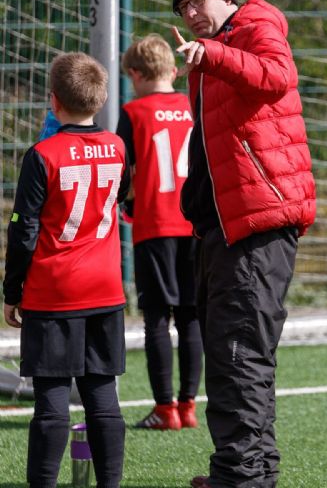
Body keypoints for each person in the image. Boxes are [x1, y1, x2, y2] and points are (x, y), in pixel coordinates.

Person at [170, 0, 316, 488]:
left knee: (239, 356)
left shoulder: (255, 26)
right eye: (183, 8)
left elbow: (278, 77)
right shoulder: (211, 54)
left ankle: (241, 477)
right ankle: (251, 471)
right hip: (226, 226)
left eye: (198, 0)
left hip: (257, 224)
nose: (191, 13)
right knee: (235, 355)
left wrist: (213, 55)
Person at [3, 51, 130, 488]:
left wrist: (12, 291)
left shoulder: (43, 154)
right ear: (102, 98)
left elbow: (23, 230)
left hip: (55, 292)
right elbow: (118, 199)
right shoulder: (118, 147)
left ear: (53, 100)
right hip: (106, 290)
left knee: (52, 402)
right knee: (102, 396)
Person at [116, 34, 203, 430]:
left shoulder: (133, 112)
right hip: (194, 224)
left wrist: (126, 203)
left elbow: (125, 173)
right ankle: (189, 406)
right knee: (190, 315)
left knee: (156, 318)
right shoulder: (192, 105)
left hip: (154, 225)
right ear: (172, 70)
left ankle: (164, 409)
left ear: (136, 74)